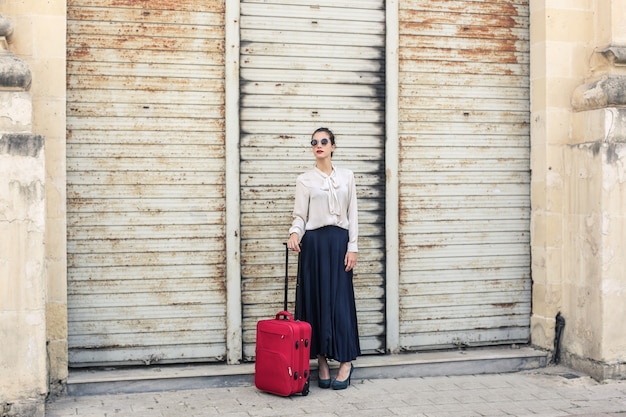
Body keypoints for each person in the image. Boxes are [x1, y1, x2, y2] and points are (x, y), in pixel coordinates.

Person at [286, 127, 360, 390]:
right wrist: (295, 233)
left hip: (339, 243)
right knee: (315, 301)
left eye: (324, 141)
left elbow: (352, 214)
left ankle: (345, 362)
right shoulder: (305, 179)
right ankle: (322, 362)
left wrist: (353, 247)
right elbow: (300, 216)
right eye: (314, 142)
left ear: (333, 146)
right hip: (314, 245)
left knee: (340, 303)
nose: (319, 145)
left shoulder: (348, 177)